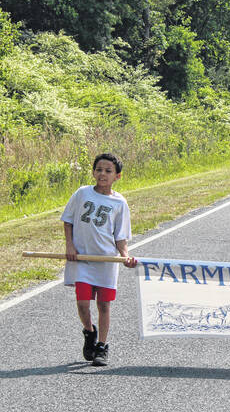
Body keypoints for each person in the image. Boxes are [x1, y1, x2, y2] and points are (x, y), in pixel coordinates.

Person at [62, 153, 137, 366]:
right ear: (93, 172)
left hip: (105, 262)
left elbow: (120, 236)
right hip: (82, 259)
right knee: (83, 303)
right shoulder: (82, 193)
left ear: (117, 176)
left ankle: (102, 346)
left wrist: (125, 256)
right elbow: (68, 221)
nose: (102, 174)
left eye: (108, 171)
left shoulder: (119, 202)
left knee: (104, 305)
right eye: (99, 170)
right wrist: (70, 246)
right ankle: (89, 331)